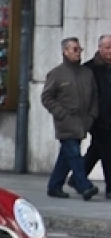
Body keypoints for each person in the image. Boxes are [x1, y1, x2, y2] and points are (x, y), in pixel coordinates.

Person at [41, 37, 99, 201]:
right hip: (65, 122)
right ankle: (84, 186)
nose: (78, 52)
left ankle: (54, 185)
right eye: (74, 49)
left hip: (82, 122)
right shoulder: (57, 74)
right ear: (65, 51)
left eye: (79, 49)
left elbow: (94, 96)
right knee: (74, 154)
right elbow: (47, 97)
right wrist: (61, 113)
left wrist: (91, 116)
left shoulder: (87, 74)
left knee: (66, 157)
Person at [66, 33, 111, 199]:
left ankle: (77, 178)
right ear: (99, 48)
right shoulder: (89, 69)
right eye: (107, 48)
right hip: (97, 117)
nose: (110, 52)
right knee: (107, 151)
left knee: (97, 150)